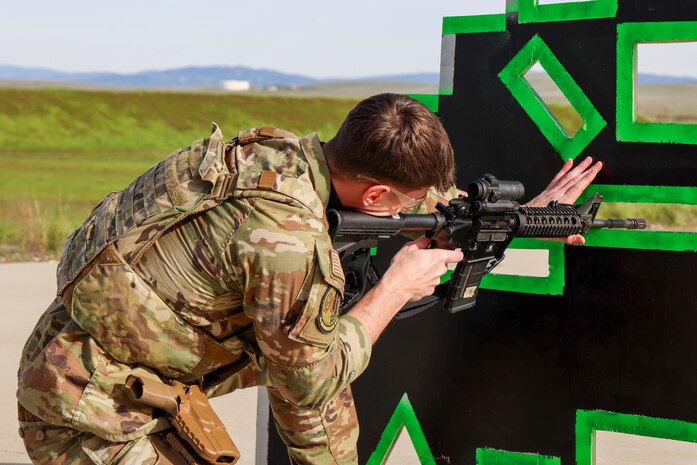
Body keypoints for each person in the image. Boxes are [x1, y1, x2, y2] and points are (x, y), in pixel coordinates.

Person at [16, 93, 601, 465]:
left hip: (93, 362)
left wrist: (525, 219)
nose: (412, 214)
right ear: (374, 194)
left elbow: (423, 201)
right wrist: (394, 287)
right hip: (88, 411)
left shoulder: (282, 158)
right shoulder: (290, 244)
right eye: (405, 206)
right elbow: (309, 389)